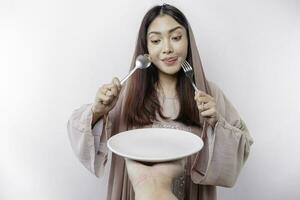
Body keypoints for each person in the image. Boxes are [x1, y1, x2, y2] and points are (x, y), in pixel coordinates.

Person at [67, 3, 254, 200]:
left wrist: (217, 121)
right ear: (145, 48)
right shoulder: (126, 94)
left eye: (176, 38)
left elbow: (243, 147)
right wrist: (98, 111)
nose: (167, 49)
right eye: (156, 40)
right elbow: (79, 134)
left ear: (188, 41)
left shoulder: (208, 93)